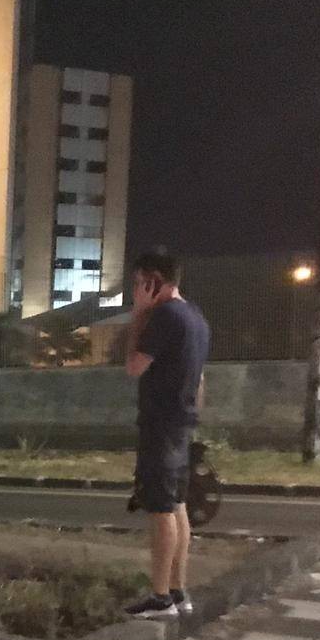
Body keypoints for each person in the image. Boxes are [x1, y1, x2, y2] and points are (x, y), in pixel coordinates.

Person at [122, 249, 210, 619]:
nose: (135, 290)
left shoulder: (163, 317)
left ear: (153, 280)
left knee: (160, 508)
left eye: (139, 283)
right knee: (177, 506)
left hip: (161, 423)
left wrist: (140, 314)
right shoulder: (195, 318)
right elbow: (201, 378)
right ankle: (177, 590)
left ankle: (159, 597)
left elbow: (133, 366)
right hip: (182, 421)